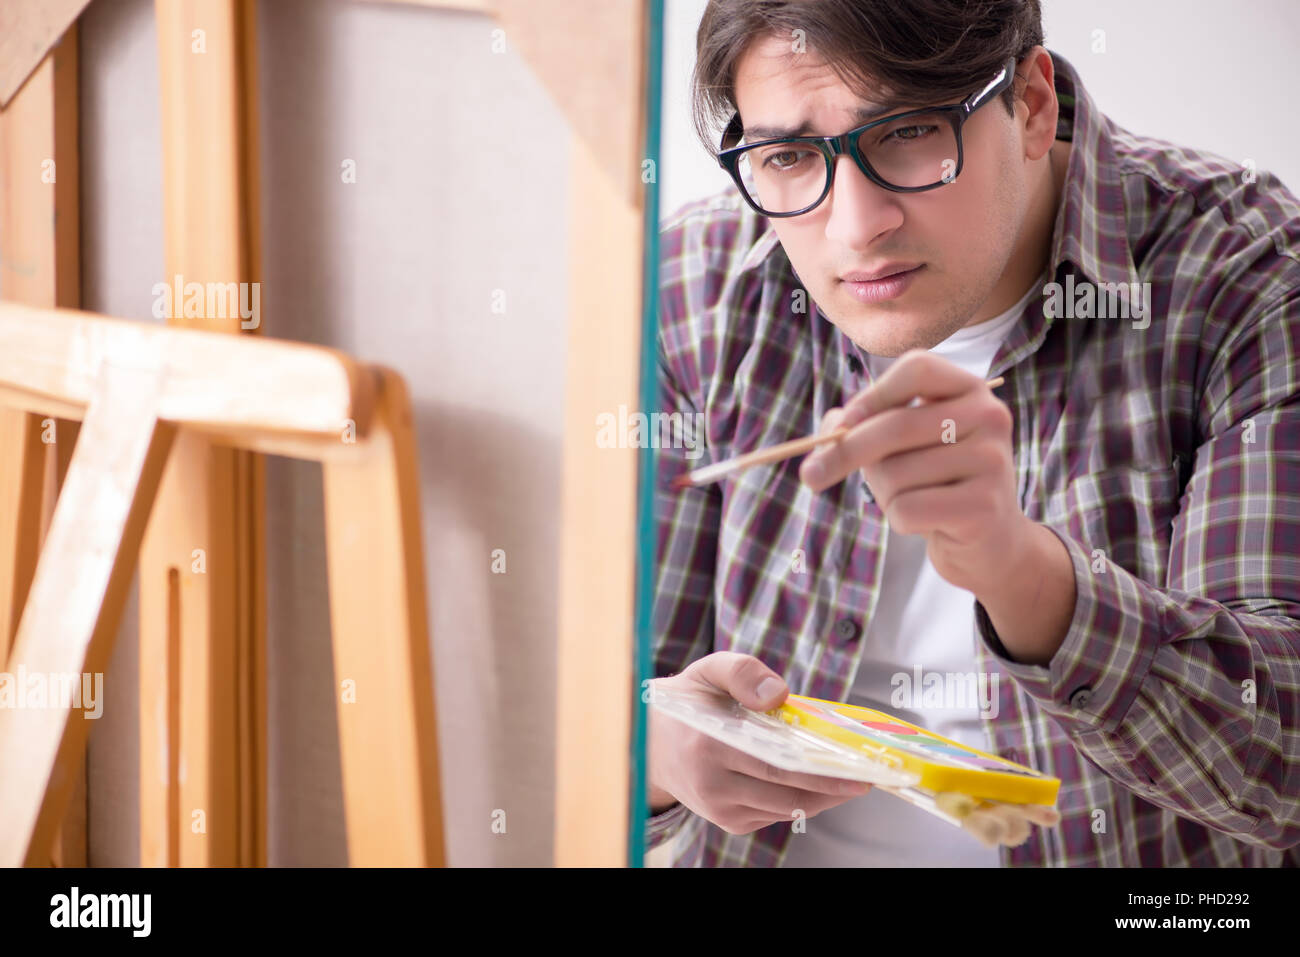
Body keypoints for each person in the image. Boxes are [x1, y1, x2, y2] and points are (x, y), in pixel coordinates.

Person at [646, 0, 1300, 867]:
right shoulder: (691, 286)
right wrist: (652, 756)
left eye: (908, 132)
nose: (856, 226)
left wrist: (1018, 570)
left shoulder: (1246, 274)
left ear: (1032, 105)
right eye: (790, 155)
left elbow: (1280, 767)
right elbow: (593, 703)